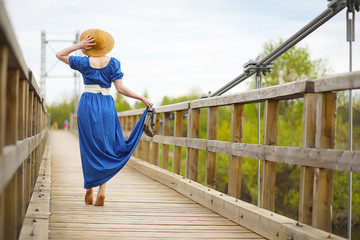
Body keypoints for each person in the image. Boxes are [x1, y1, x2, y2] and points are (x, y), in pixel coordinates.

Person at [56, 28, 152, 206]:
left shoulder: (84, 62)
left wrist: (79, 45)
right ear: (105, 46)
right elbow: (121, 89)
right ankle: (102, 190)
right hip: (107, 105)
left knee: (88, 147)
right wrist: (141, 98)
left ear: (89, 46)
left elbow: (59, 54)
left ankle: (88, 189)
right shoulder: (114, 62)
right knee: (106, 146)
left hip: (87, 104)